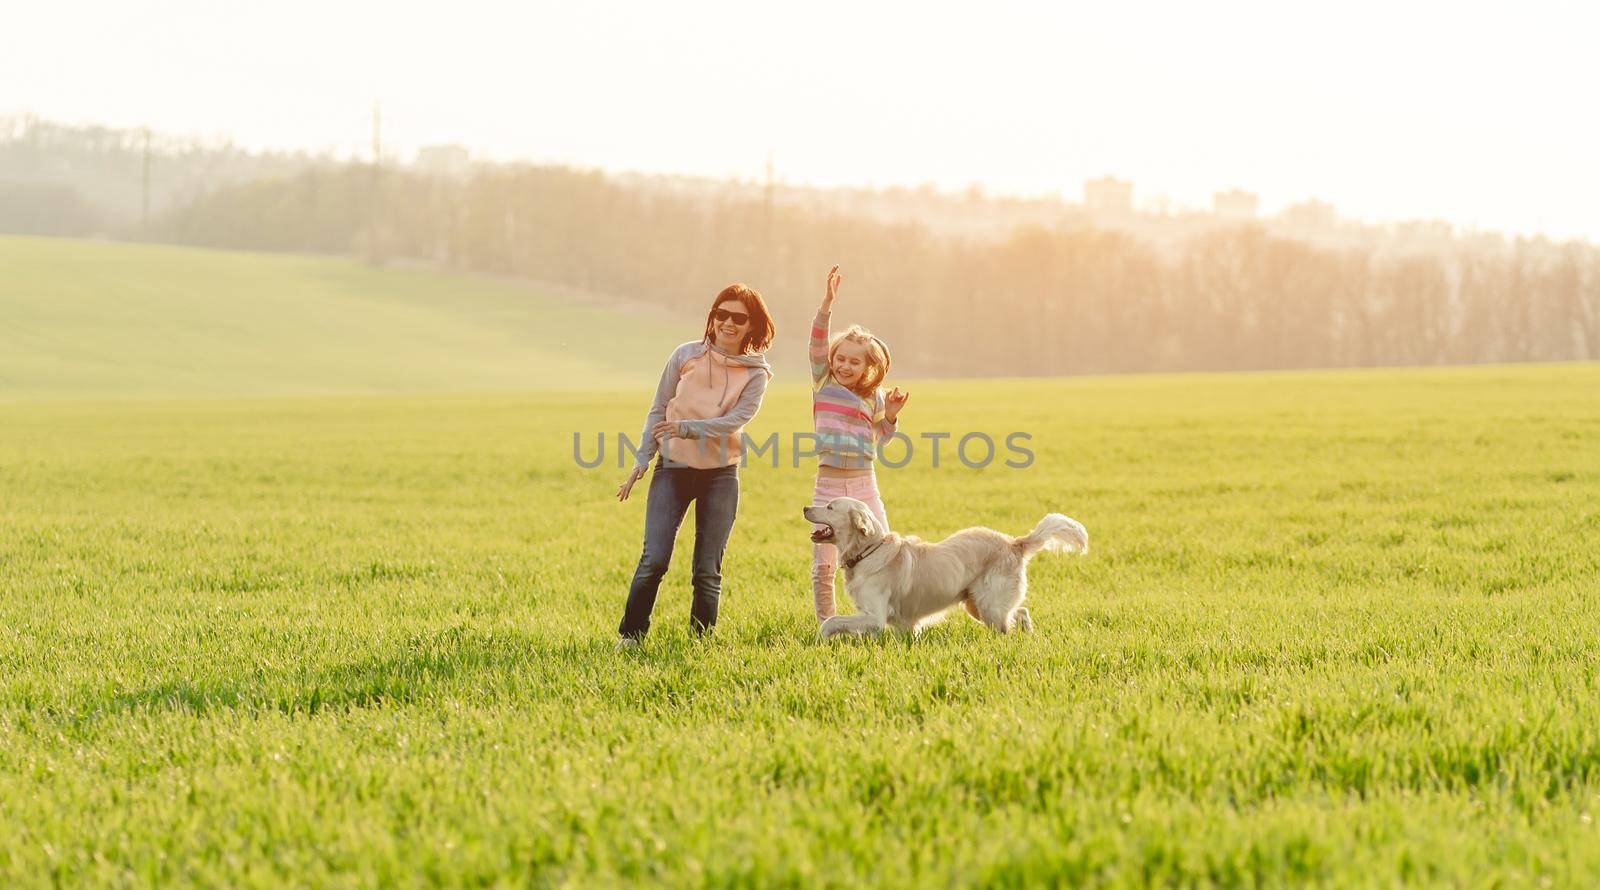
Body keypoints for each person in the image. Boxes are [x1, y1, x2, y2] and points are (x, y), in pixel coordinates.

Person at [615, 284, 775, 646]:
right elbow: (658, 408)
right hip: (672, 469)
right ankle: (631, 636)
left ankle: (699, 643)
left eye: (738, 318)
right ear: (712, 317)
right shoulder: (685, 355)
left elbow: (733, 421)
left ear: (751, 325)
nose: (727, 323)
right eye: (721, 314)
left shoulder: (755, 374)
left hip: (721, 475)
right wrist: (643, 458)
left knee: (707, 570)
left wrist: (686, 428)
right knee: (654, 558)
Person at [808, 265, 909, 624]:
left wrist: (891, 415)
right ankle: (827, 624)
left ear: (867, 366)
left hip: (864, 483)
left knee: (884, 551)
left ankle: (884, 615)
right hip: (830, 485)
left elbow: (879, 438)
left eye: (854, 361)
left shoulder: (872, 397)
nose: (845, 365)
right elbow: (817, 341)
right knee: (824, 561)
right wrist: (827, 303)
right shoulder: (823, 382)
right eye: (840, 359)